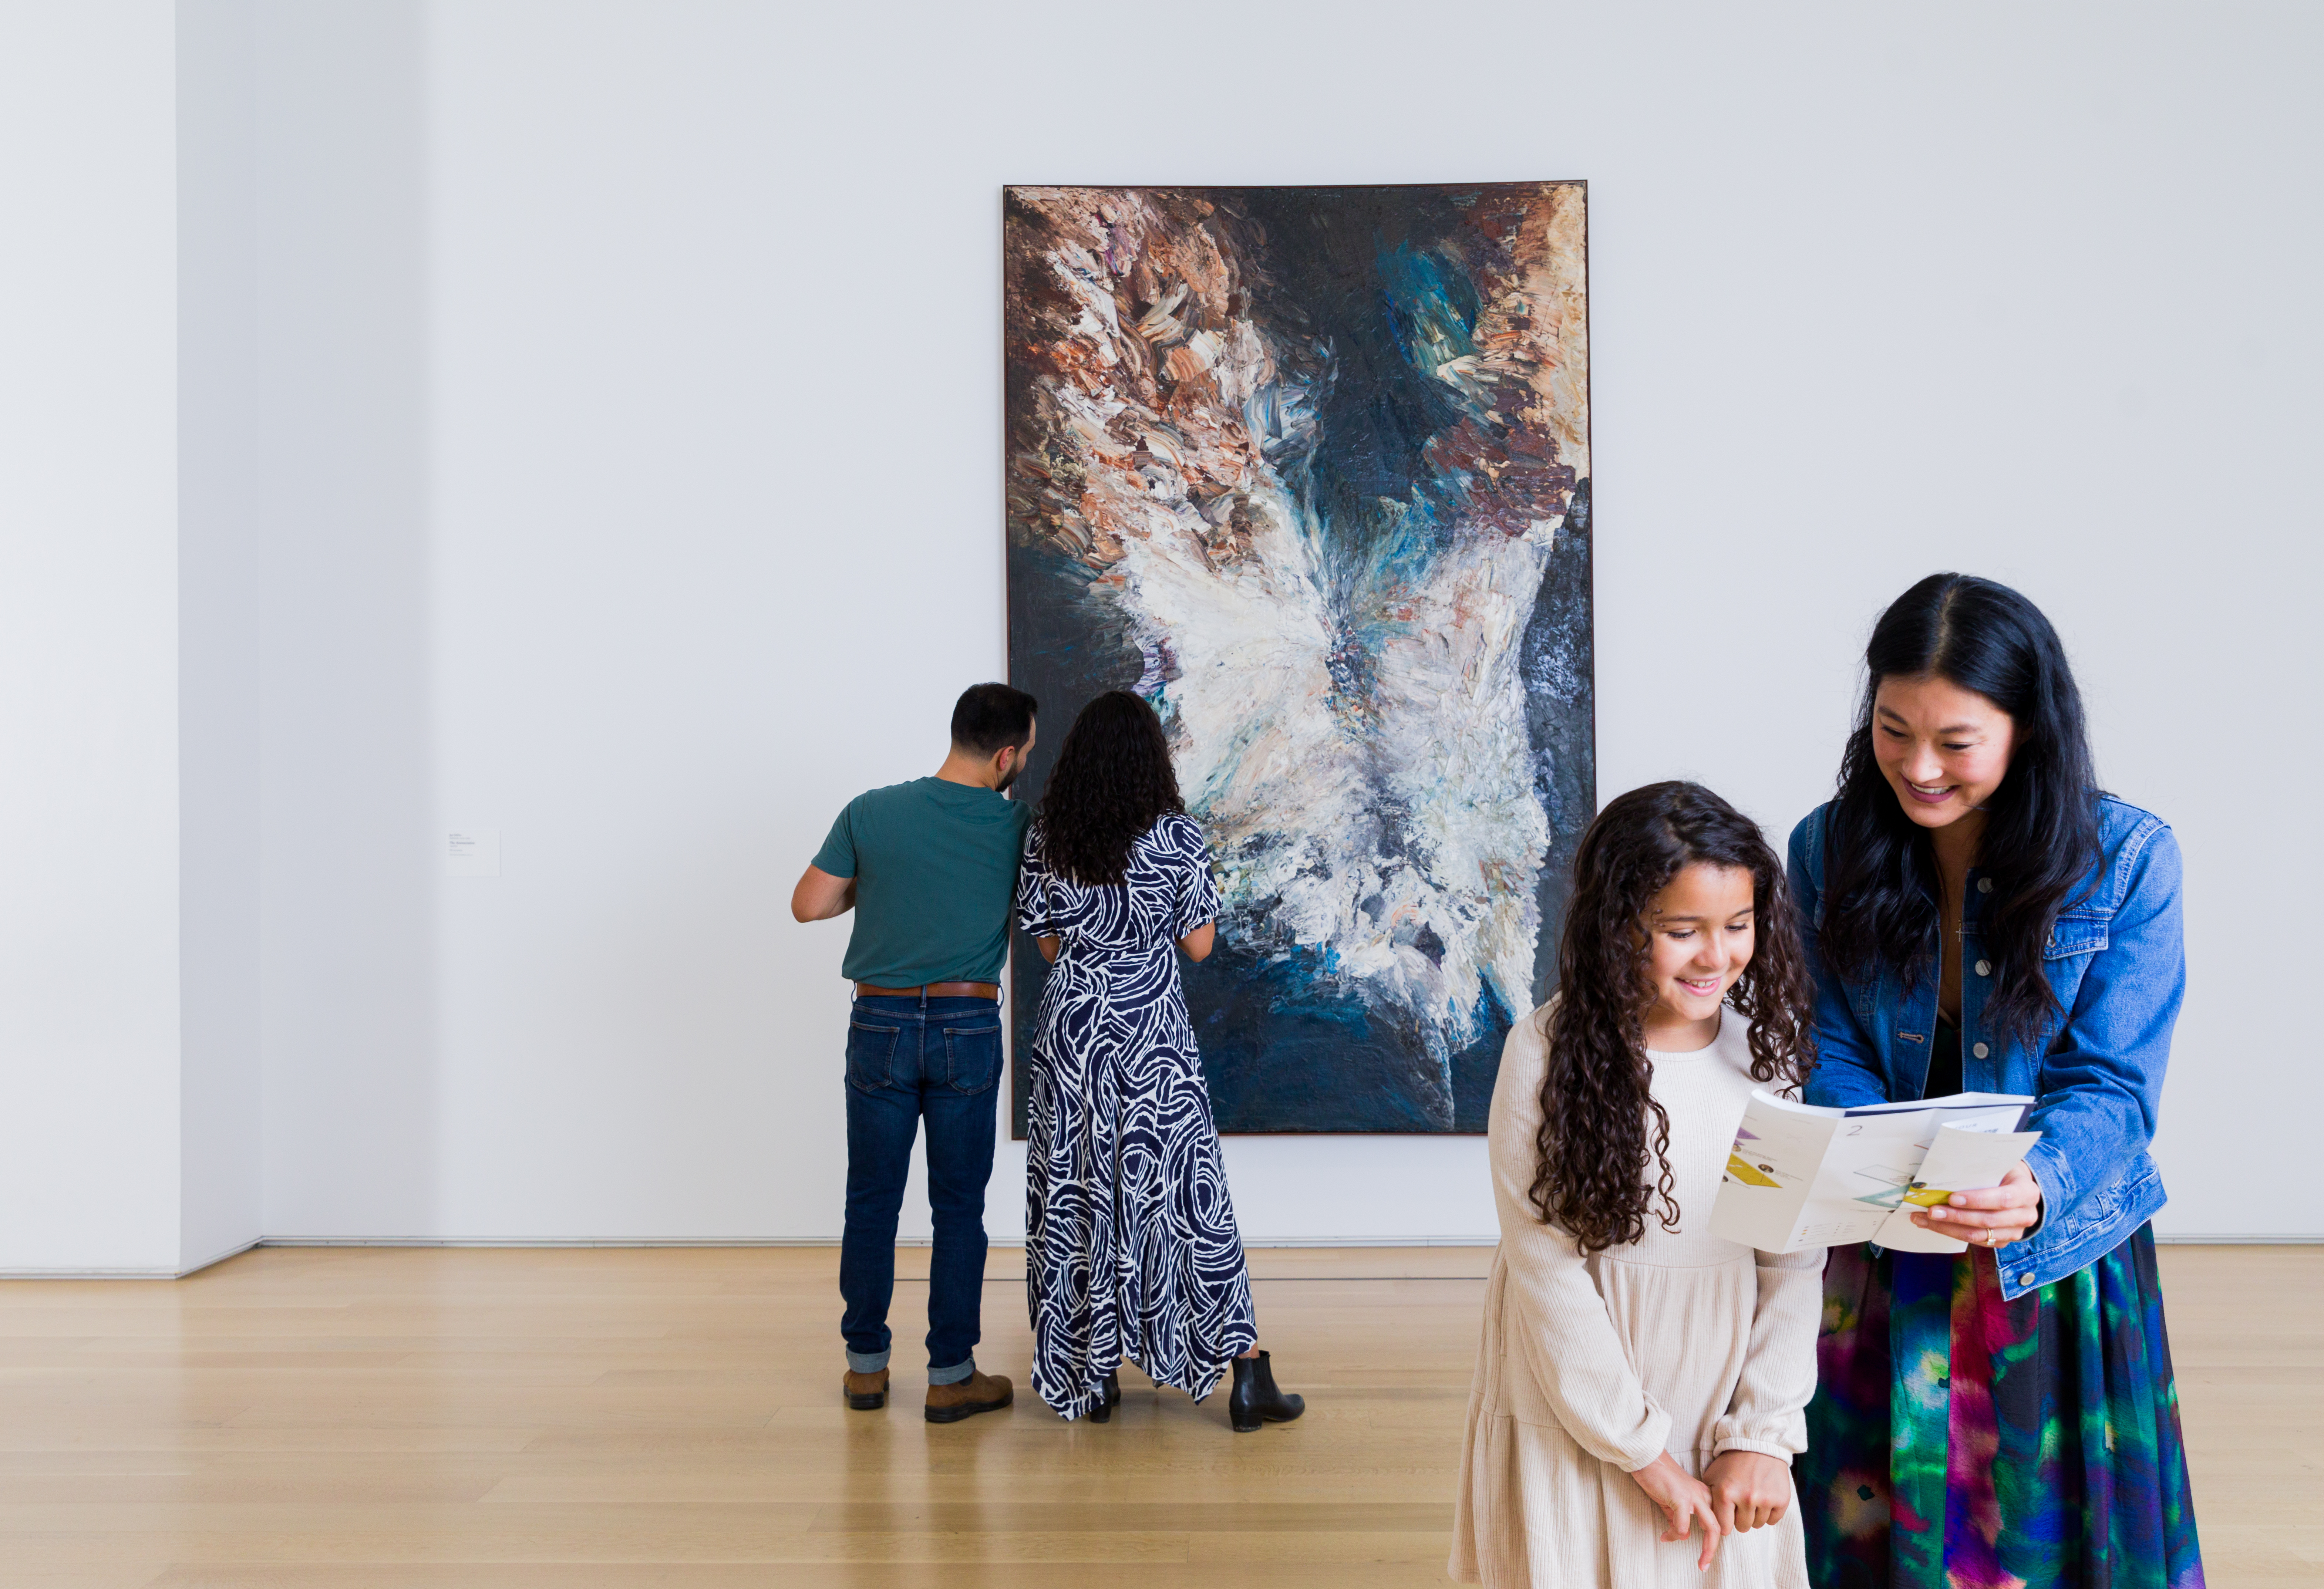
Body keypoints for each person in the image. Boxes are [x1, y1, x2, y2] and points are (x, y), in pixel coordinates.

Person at [1789, 573, 2203, 1589]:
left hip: (2051, 1244)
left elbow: (2112, 1082)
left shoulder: (2130, 861)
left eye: (1956, 742)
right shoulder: (1825, 845)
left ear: (2028, 731)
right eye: (1893, 730)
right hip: (1883, 1231)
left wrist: (2037, 1182)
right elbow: (1824, 1038)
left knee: (2044, 1532)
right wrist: (1867, 1148)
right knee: (1867, 1526)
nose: (1918, 768)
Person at [1452, 781, 1824, 1589]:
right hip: (1577, 1402)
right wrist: (1644, 1453)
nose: (1716, 956)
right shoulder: (1543, 1052)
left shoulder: (1767, 1059)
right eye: (1682, 931)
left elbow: (1790, 1263)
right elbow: (1546, 1269)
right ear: (1620, 927)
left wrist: (1759, 1436)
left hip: (1720, 1393)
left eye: (1738, 926)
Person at [1014, 690, 1303, 1432]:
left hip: (1074, 1035)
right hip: (1152, 1036)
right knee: (1185, 1194)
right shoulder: (1177, 836)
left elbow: (1046, 946)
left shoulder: (1049, 833)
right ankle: (1245, 1373)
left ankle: (1094, 1372)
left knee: (1078, 1195)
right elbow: (1199, 946)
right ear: (1153, 758)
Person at [790, 681, 1038, 1424]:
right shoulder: (1018, 825)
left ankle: (866, 1369)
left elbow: (809, 903)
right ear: (1005, 756)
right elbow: (1042, 920)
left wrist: (880, 886)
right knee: (958, 1207)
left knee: (871, 1200)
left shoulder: (872, 811)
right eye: (1024, 750)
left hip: (880, 1024)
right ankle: (951, 1375)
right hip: (966, 1023)